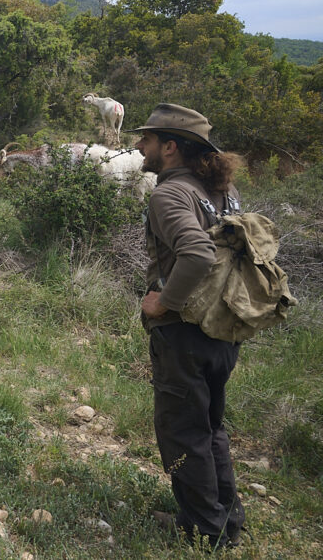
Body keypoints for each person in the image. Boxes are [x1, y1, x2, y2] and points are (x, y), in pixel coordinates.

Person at [129, 103, 246, 550]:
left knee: (183, 429)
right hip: (223, 327)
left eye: (149, 140)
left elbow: (196, 253)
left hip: (185, 330)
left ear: (171, 148)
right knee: (211, 424)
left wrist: (164, 303)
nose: (141, 145)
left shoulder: (168, 194)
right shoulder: (222, 191)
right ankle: (225, 519)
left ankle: (204, 532)